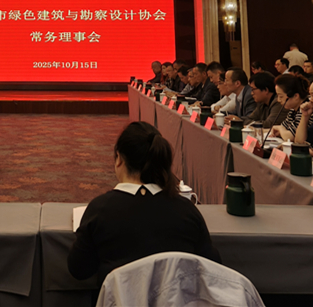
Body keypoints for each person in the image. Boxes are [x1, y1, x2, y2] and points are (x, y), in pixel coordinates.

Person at [68, 121, 219, 287]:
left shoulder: (100, 209)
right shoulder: (187, 210)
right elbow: (212, 266)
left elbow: (79, 269)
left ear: (119, 159)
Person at [271, 73, 313, 140]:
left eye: (281, 96)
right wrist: (282, 129)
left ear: (296, 96)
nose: (278, 100)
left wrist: (280, 128)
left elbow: (290, 137)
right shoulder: (293, 109)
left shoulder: (306, 107)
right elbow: (284, 127)